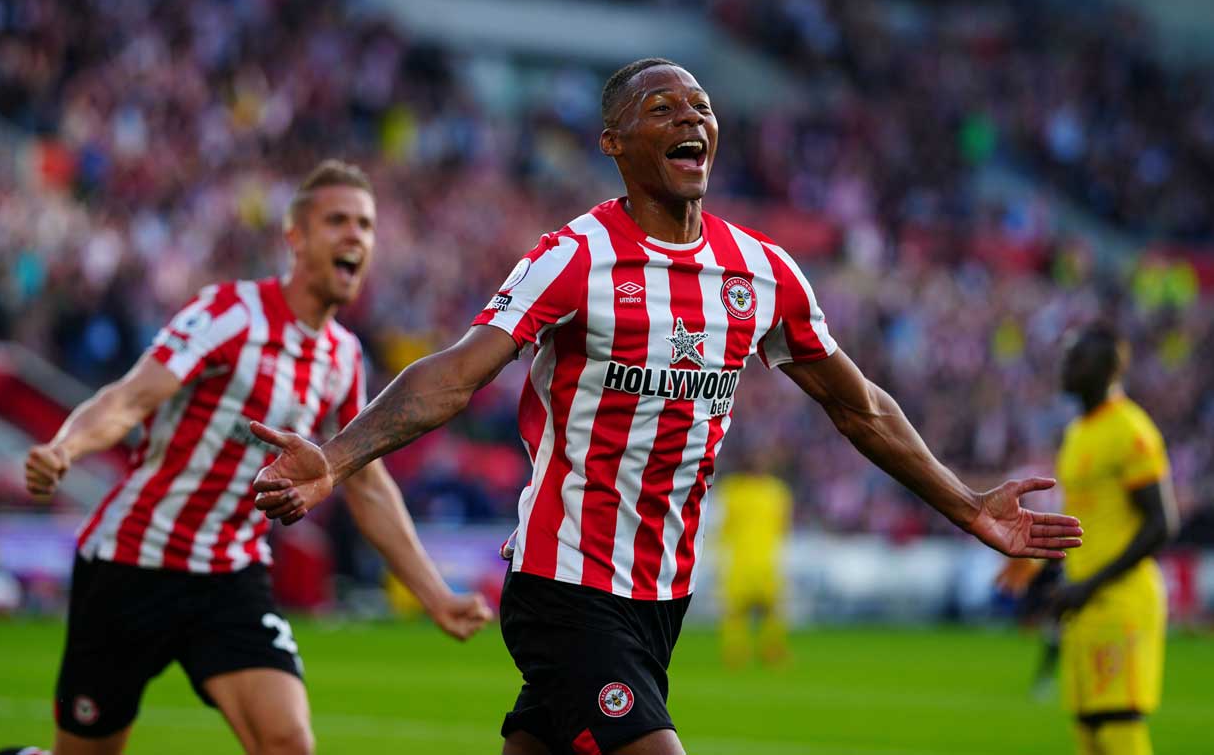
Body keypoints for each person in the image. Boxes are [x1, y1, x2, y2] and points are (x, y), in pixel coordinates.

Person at [250, 60, 1083, 755]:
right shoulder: (574, 258)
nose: (692, 117)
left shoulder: (762, 273)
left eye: (702, 106)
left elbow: (858, 407)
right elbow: (455, 375)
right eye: (663, 107)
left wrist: (968, 503)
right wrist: (337, 456)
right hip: (564, 582)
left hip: (664, 597)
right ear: (614, 144)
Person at [22, 160, 493, 755]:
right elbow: (132, 397)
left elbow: (366, 485)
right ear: (295, 237)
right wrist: (66, 447)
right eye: (338, 221)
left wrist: (435, 594)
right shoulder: (228, 314)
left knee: (288, 743)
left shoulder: (343, 358)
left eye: (366, 226)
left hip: (229, 574)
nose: (355, 236)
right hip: (131, 563)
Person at [1049, 324, 1178, 755]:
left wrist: (1092, 582)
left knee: (1116, 725)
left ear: (1107, 369)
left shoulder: (1131, 430)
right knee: (1089, 730)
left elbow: (1161, 523)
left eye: (1077, 359)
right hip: (1083, 604)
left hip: (1119, 602)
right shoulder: (1077, 433)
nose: (1066, 365)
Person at [712, 448, 793, 668]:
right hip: (745, 558)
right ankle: (740, 650)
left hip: (760, 558)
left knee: (768, 609)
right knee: (739, 610)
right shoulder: (770, 491)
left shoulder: (765, 490)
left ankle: (767, 649)